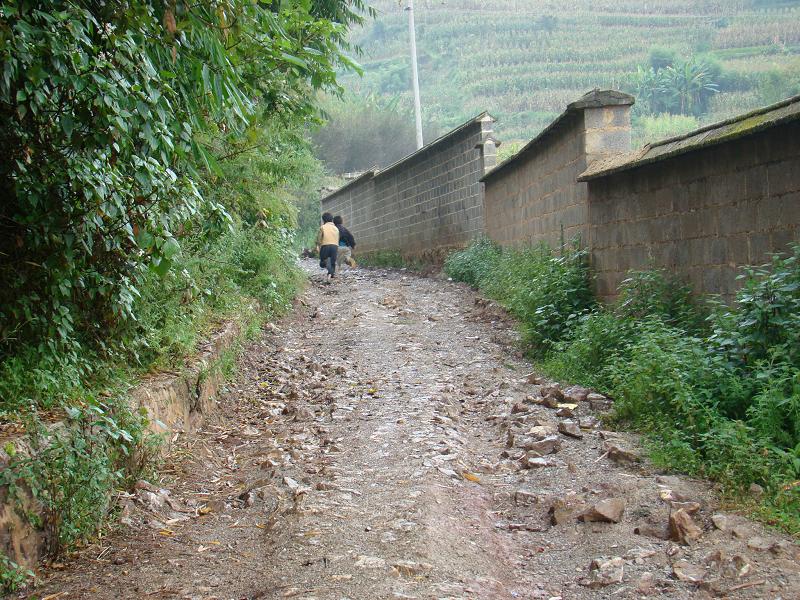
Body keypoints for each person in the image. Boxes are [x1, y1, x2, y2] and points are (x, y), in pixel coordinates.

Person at [316, 212, 339, 279]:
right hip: (335, 246)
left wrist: (317, 245)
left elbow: (319, 238)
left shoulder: (322, 227)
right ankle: (331, 274)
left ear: (323, 220)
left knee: (323, 262)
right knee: (332, 262)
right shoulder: (336, 228)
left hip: (325, 246)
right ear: (332, 220)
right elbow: (337, 238)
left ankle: (329, 269)